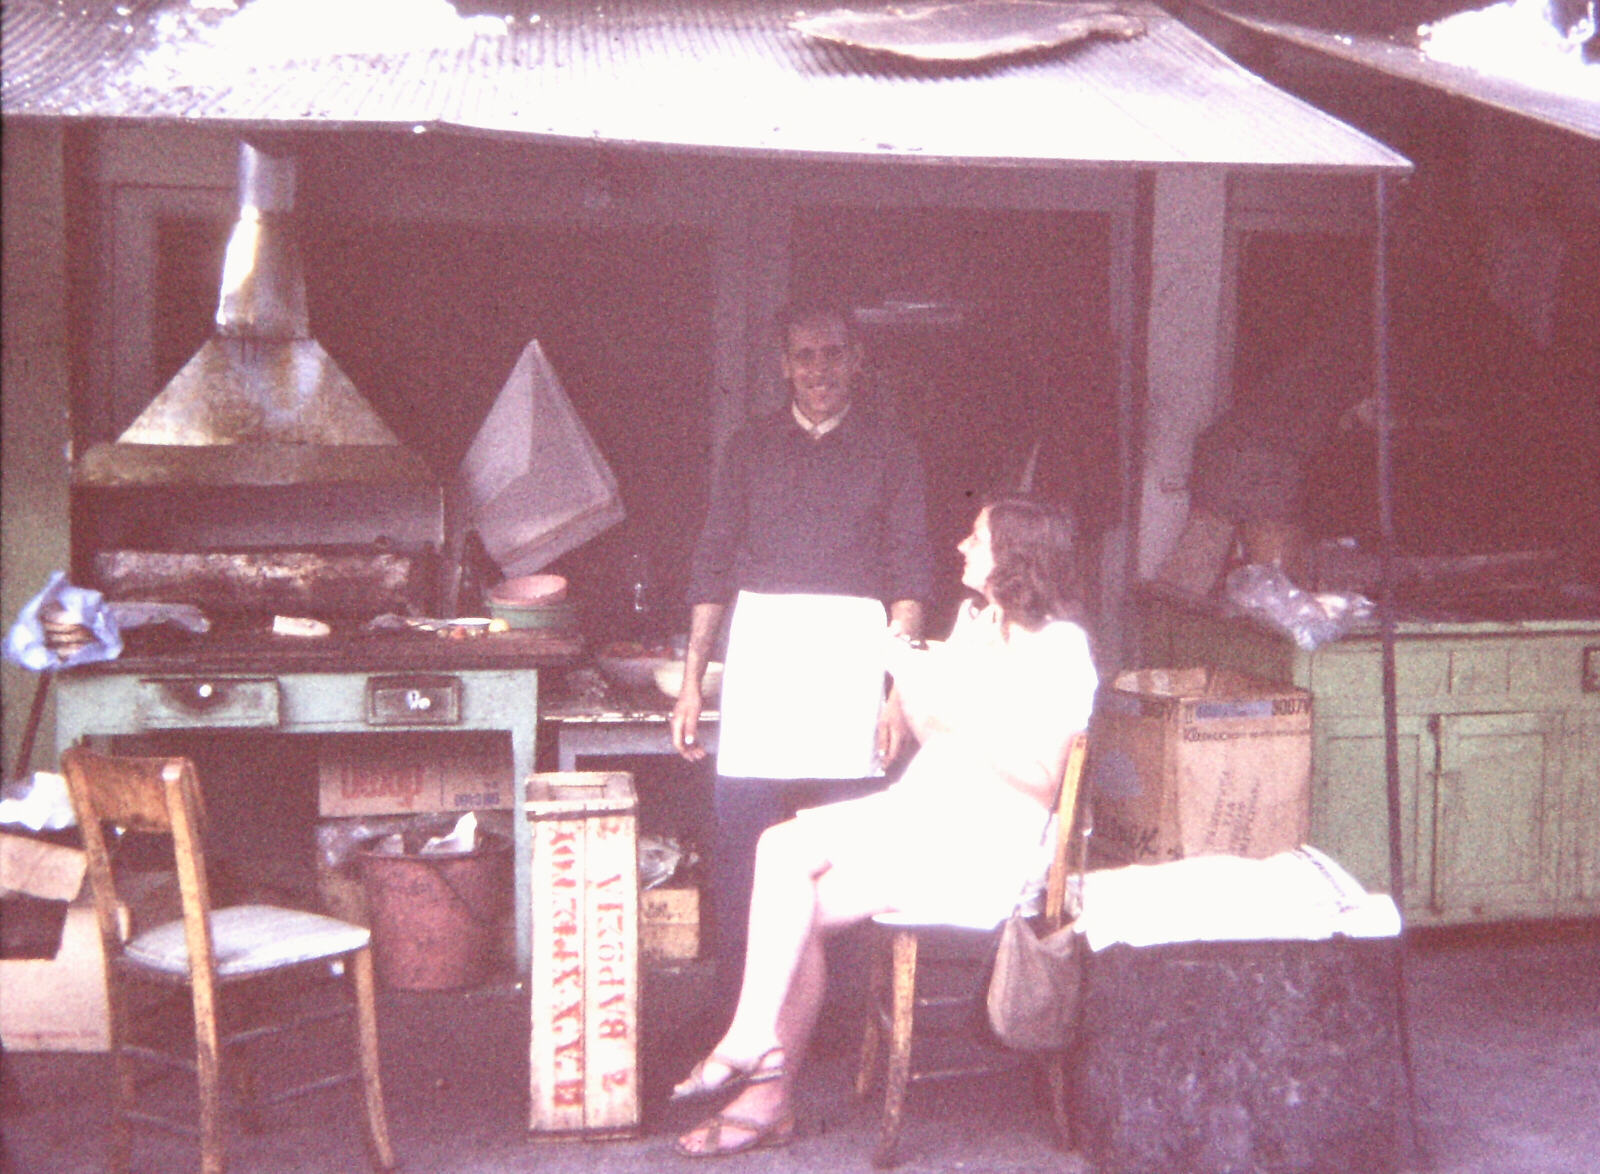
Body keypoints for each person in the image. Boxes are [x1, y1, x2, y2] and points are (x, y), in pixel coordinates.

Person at [669, 495, 1099, 1158]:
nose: (961, 546)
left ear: (1014, 558)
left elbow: (1042, 777)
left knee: (794, 888)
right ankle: (757, 1051)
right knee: (784, 858)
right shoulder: (984, 623)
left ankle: (763, 1081)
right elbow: (932, 716)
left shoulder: (1062, 649)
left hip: (984, 842)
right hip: (930, 812)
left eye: (976, 538)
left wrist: (948, 706)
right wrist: (914, 678)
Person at [671, 299, 934, 1017]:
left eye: (833, 354)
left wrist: (895, 693)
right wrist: (693, 684)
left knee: (843, 846)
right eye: (804, 357)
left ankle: (841, 1021)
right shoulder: (748, 446)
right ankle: (739, 1013)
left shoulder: (891, 449)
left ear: (858, 361)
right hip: (765, 659)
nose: (819, 370)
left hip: (854, 662)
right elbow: (712, 562)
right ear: (784, 366)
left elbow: (913, 575)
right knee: (744, 843)